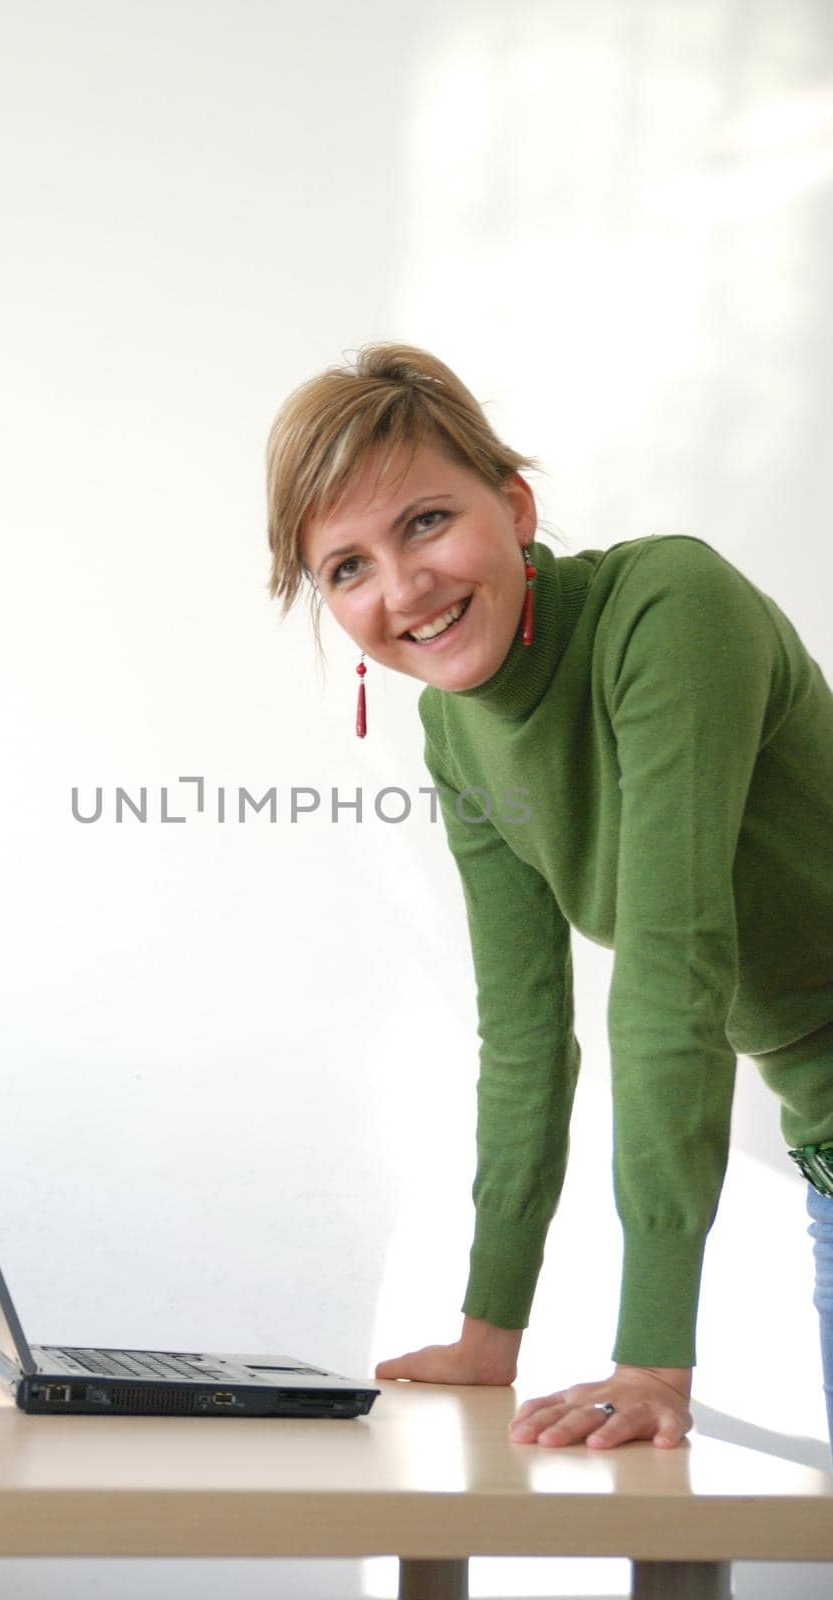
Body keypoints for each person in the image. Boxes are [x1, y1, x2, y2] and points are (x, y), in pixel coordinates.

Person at [264, 342, 833, 1454]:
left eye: (426, 521)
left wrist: (651, 1356)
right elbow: (526, 1033)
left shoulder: (671, 607)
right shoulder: (453, 730)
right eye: (347, 567)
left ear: (515, 507)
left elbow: (676, 964)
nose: (403, 586)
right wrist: (492, 1328)